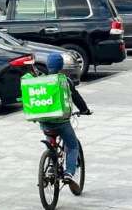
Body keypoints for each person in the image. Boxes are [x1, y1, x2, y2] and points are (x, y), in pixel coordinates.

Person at [38, 53, 91, 191]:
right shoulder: (65, 81)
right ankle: (69, 173)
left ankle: (50, 169)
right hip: (61, 122)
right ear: (61, 66)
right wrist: (85, 110)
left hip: (44, 122)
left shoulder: (40, 81)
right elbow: (76, 98)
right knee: (73, 146)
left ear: (48, 65)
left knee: (50, 142)